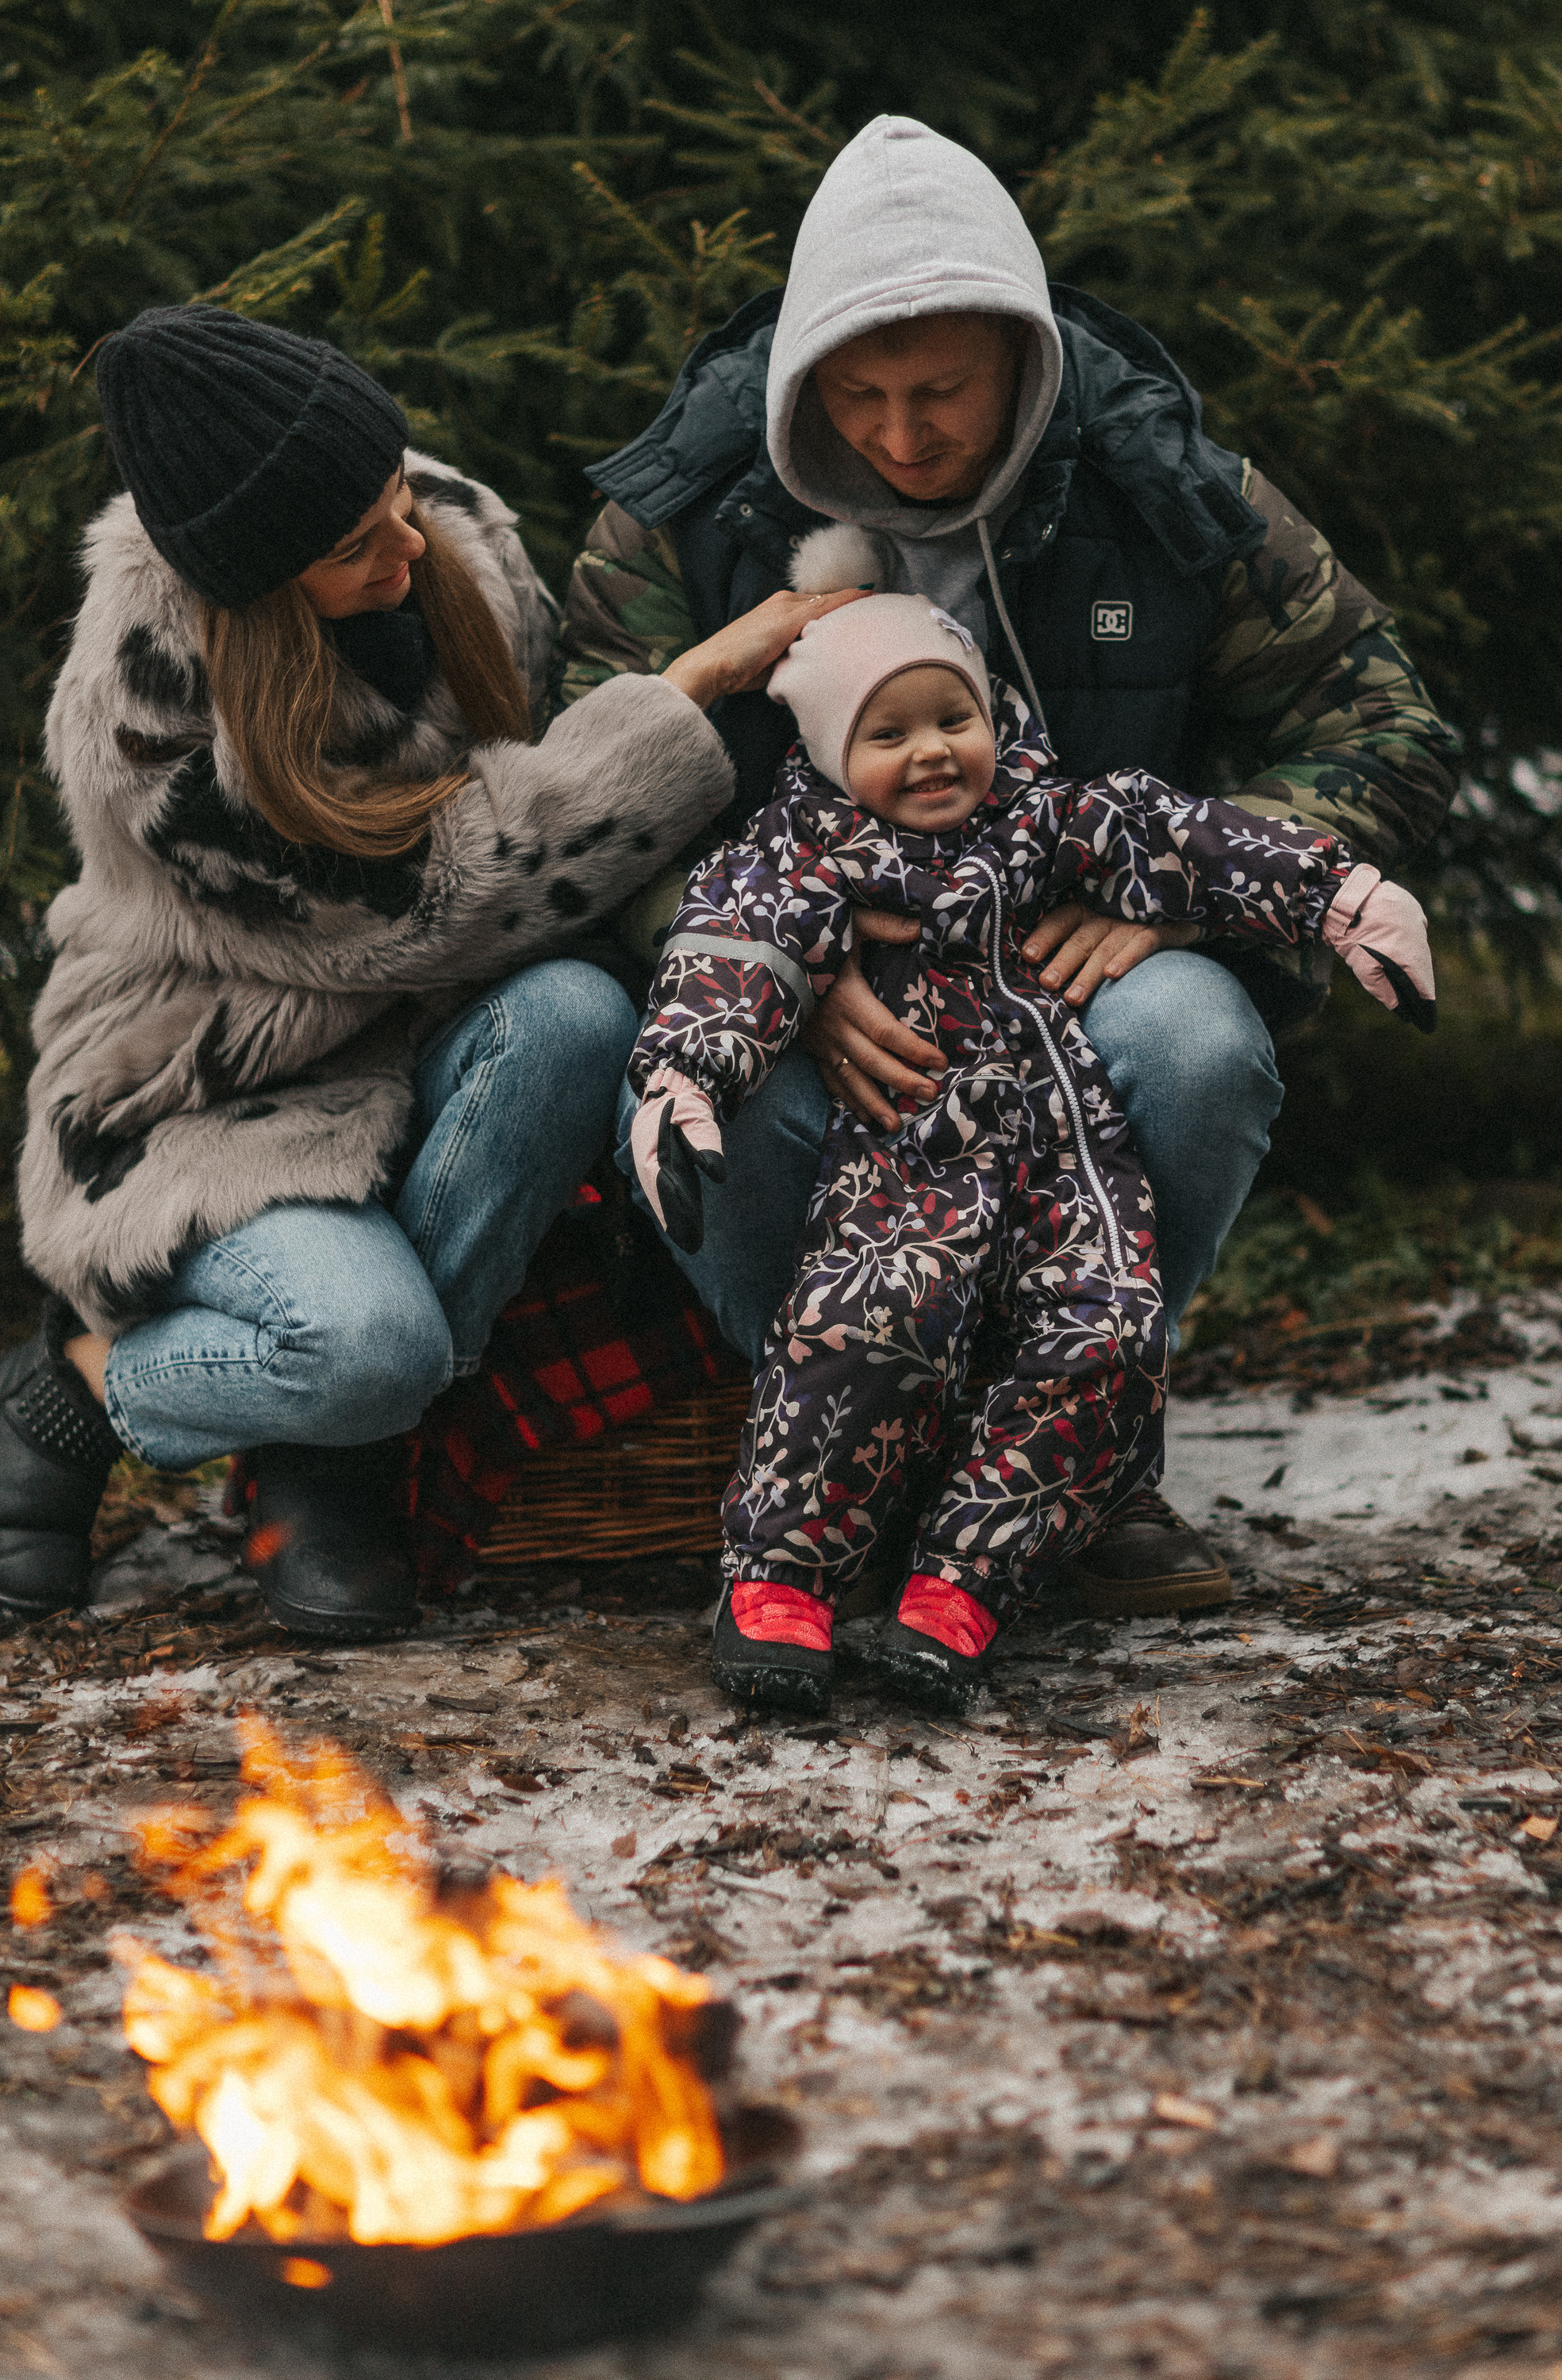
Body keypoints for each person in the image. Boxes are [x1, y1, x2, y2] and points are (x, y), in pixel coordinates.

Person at [559, 113, 1460, 1618]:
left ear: (1023, 363)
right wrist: (780, 961)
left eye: (942, 395)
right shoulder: (687, 509)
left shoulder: (1164, 487)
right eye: (858, 399)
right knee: (723, 1102)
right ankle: (838, 1481)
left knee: (1195, 1041)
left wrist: (1176, 902)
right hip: (809, 974)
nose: (902, 437)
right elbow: (584, 789)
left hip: (1079, 967)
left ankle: (1078, 1461)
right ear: (801, 385)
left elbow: (1381, 714)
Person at [0, 307, 860, 1641]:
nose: (407, 541)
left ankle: (336, 1442)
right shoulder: (153, 712)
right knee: (368, 1347)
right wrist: (683, 693)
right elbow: (454, 897)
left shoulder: (448, 534)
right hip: (217, 1106)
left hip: (422, 1049)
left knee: (577, 1012)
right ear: (255, 586)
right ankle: (89, 1389)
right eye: (354, 547)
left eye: (394, 493)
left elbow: (520, 924)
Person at [624, 570, 1435, 1713]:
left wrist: (1339, 896)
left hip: (1065, 1152)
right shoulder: (799, 852)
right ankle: (780, 1586)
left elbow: (1198, 840)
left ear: (991, 717)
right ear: (824, 750)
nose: (931, 753)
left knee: (1102, 1334)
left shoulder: (1052, 814)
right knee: (864, 1327)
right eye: (887, 732)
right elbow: (727, 958)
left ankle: (960, 1594)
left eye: (952, 718)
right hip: (906, 1157)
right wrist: (684, 1081)